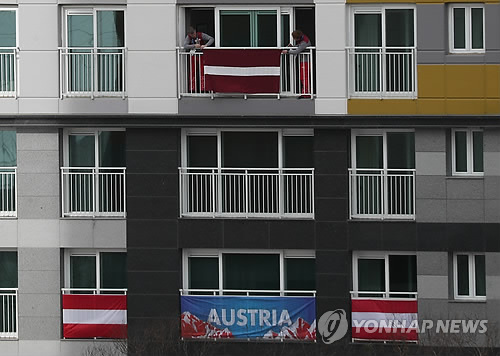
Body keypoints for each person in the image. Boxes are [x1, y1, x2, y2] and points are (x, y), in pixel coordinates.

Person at [184, 27, 214, 92]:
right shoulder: (188, 37)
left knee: (202, 71)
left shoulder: (201, 35)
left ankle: (203, 88)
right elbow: (185, 46)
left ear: (195, 31)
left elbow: (211, 39)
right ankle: (192, 89)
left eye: (194, 34)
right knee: (192, 71)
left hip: (201, 55)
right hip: (193, 55)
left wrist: (205, 45)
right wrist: (194, 46)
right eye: (191, 35)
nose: (193, 36)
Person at [283, 30, 311, 98]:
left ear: (297, 37)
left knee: (304, 77)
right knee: (303, 77)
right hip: (303, 61)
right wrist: (292, 46)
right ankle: (305, 93)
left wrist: (288, 51)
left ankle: (306, 94)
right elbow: (299, 47)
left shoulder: (304, 41)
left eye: (294, 38)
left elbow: (297, 51)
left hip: (305, 61)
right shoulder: (303, 39)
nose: (294, 39)